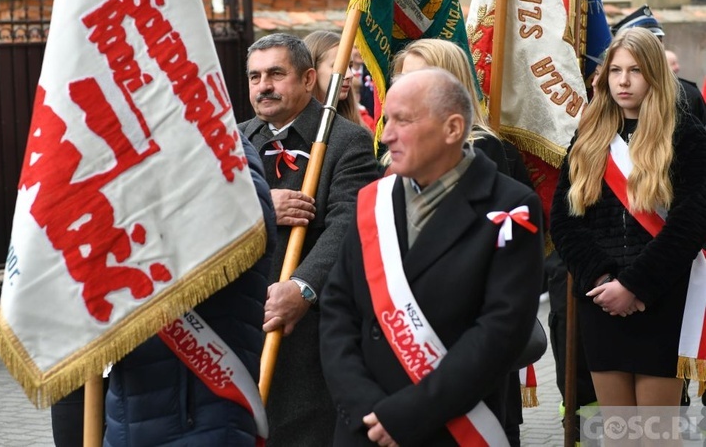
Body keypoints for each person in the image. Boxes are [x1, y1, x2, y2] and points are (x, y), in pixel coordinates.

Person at [319, 68, 545, 446]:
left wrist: (407, 414)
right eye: (387, 119)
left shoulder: (511, 206)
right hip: (365, 427)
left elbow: (499, 331)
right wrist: (365, 407)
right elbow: (337, 309)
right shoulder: (373, 200)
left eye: (402, 121)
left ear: (453, 128)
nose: (386, 134)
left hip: (449, 426)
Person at [550, 28, 706, 411]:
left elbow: (690, 223)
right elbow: (564, 220)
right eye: (615, 70)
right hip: (601, 302)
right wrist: (604, 280)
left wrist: (634, 286)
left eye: (635, 70)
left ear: (654, 73)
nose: (623, 81)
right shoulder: (588, 135)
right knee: (618, 432)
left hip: (662, 299)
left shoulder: (686, 135)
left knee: (654, 434)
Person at [239, 33, 380, 446]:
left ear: (307, 79)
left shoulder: (345, 140)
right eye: (254, 77)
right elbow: (203, 213)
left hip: (308, 329)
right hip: (241, 323)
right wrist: (262, 205)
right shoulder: (232, 140)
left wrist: (303, 288)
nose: (263, 85)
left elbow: (349, 225)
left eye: (276, 74)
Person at [101, 133, 277, 447]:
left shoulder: (228, 142)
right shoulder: (119, 155)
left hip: (203, 407)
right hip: (128, 408)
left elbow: (248, 224)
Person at [388, 38, 510, 176]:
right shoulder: (395, 142)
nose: (404, 87)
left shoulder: (481, 147)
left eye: (417, 80)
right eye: (402, 79)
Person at [611, 5, 706, 125]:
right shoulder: (609, 96)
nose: (623, 81)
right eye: (615, 70)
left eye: (658, 41)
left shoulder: (687, 95)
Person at [303, 30, 373, 131]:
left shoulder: (358, 131)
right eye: (339, 66)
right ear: (312, 71)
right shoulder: (284, 125)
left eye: (350, 66)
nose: (349, 75)